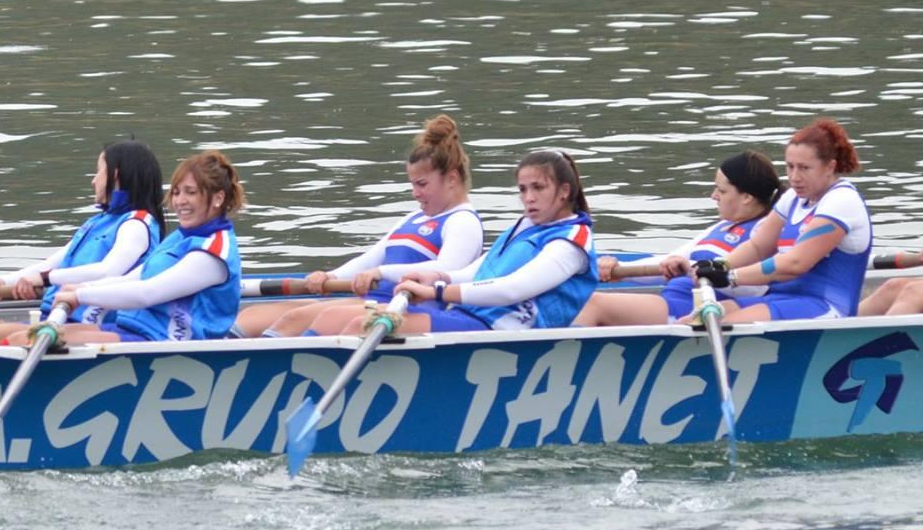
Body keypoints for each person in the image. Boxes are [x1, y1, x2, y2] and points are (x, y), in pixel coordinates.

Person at [0, 140, 166, 348]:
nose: (93, 180)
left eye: (98, 171)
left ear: (115, 175)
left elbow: (107, 271)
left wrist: (44, 280)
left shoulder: (137, 225)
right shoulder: (98, 223)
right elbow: (49, 265)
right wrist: (0, 281)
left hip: (81, 324)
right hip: (51, 315)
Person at [244, 114, 481, 336]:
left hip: (407, 309)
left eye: (421, 184)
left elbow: (447, 269)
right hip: (375, 298)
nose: (414, 194)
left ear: (451, 179)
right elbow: (369, 260)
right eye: (412, 185)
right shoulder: (414, 219)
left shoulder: (463, 221)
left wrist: (381, 273)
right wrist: (329, 275)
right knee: (285, 314)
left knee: (313, 317)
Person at [315, 150, 597, 336]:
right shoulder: (523, 226)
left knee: (360, 326)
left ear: (563, 192)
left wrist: (438, 292)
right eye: (523, 189)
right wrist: (437, 277)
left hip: (501, 334)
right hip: (469, 318)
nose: (528, 197)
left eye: (538, 188)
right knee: (333, 319)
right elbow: (480, 272)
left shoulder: (572, 243)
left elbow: (511, 289)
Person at [44, 151, 244, 345]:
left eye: (190, 192)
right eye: (176, 192)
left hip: (169, 344)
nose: (179, 201)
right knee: (22, 336)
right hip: (137, 330)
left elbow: (148, 292)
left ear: (218, 198)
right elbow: (132, 279)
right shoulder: (180, 237)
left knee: (34, 339)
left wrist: (80, 296)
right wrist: (84, 287)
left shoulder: (214, 251)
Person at [687, 119, 872, 323]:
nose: (794, 177)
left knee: (719, 323)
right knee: (692, 321)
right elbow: (758, 246)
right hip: (781, 299)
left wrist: (731, 277)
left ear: (830, 167)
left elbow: (794, 264)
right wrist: (720, 265)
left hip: (823, 308)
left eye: (804, 168)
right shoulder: (793, 198)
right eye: (790, 167)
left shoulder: (841, 201)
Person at [574, 151, 782, 327]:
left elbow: (756, 287)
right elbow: (670, 259)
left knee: (592, 304)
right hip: (677, 298)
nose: (713, 196)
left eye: (721, 190)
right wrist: (618, 269)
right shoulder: (722, 226)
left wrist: (690, 267)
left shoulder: (766, 230)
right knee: (580, 300)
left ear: (746, 197)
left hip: (702, 309)